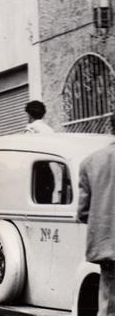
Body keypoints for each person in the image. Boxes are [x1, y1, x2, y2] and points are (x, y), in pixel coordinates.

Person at [78, 121, 115, 316]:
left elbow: (83, 212)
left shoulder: (90, 162)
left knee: (108, 303)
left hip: (107, 245)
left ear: (111, 128)